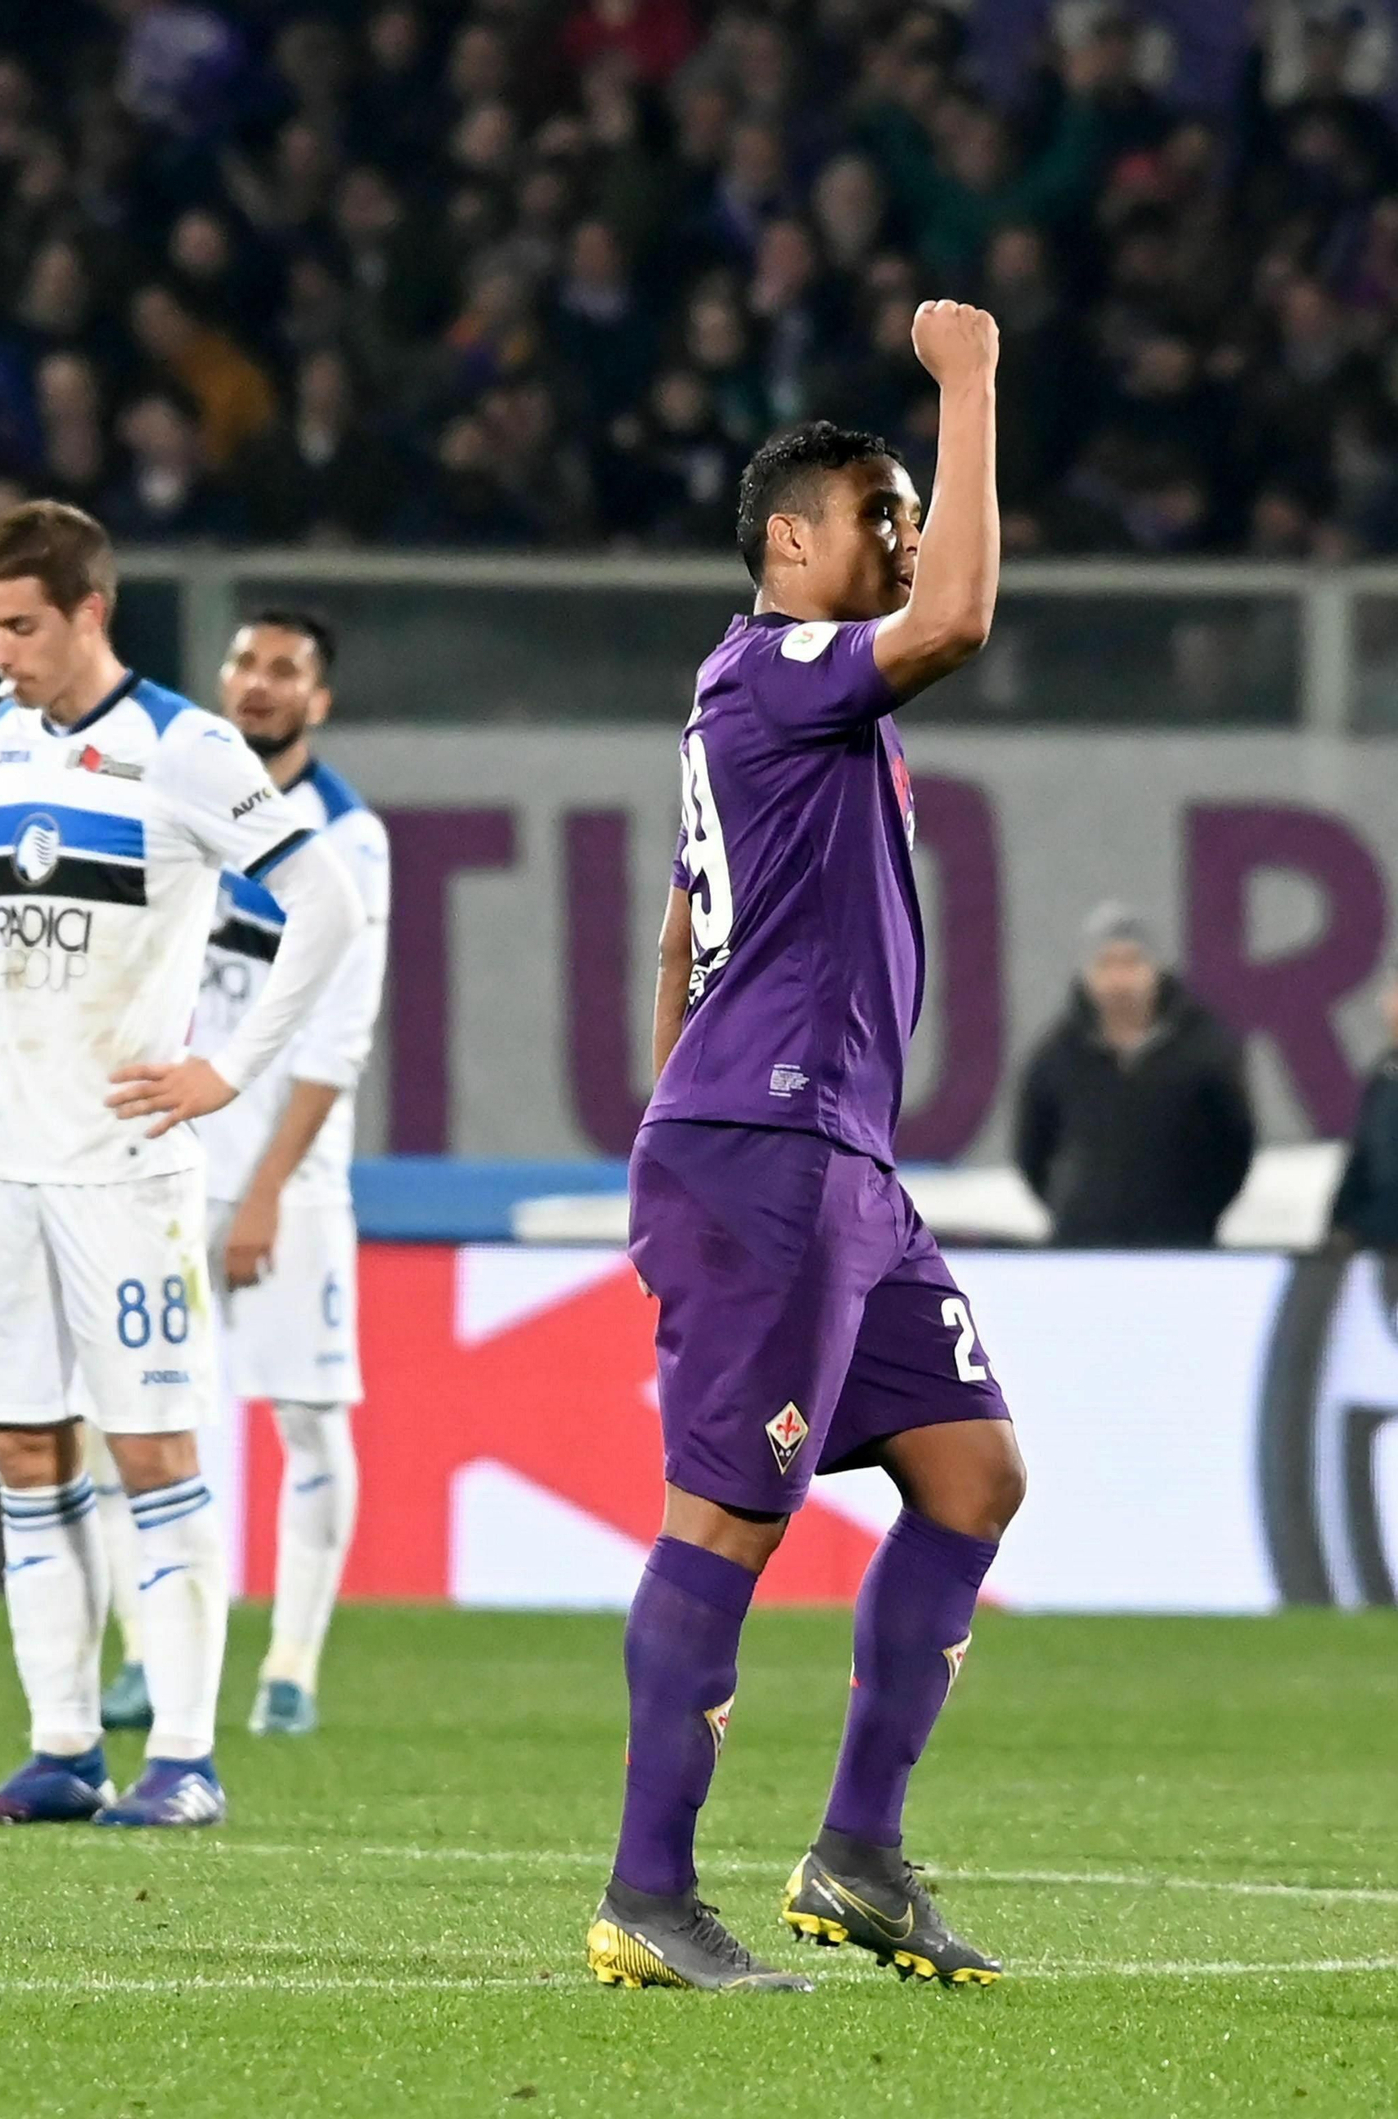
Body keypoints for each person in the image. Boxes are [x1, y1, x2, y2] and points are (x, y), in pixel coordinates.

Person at [588, 307, 1023, 1994]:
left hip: (821, 1149)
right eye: (880, 510)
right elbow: (966, 616)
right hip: (772, 1149)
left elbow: (688, 913)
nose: (908, 536)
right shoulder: (774, 665)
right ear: (790, 539)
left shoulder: (791, 714)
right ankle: (647, 1891)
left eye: (914, 508)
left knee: (975, 1472)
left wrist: (670, 1105)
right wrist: (972, 389)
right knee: (727, 1517)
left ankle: (856, 1853)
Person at [0, 501, 364, 1828]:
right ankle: (64, 1745)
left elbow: (327, 905)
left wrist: (228, 1071)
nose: (0, 653)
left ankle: (182, 1754)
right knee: (22, 1442)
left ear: (90, 611)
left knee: (153, 1444)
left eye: (22, 626)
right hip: (8, 1163)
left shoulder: (184, 749)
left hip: (128, 1170)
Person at [89, 608, 388, 1739]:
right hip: (161, 1162)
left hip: (287, 1181)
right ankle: (144, 1653)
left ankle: (290, 1670)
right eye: (244, 665)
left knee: (306, 1420)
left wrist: (266, 1187)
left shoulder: (347, 841)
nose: (257, 685)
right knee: (137, 1407)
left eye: (285, 672)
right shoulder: (178, 795)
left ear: (319, 700)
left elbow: (337, 1040)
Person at [1016, 905, 1255, 1248]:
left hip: (1181, 1245)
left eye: (1131, 963)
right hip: (1083, 1247)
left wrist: (1198, 1213)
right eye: (1106, 965)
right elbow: (1032, 1149)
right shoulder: (1057, 1056)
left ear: (1154, 970)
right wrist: (1075, 1206)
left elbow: (1235, 1145)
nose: (1119, 981)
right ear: (1087, 974)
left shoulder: (1205, 1050)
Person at [1327, 963, 1398, 1251]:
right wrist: (1341, 1225)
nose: (1387, 1003)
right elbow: (1362, 1159)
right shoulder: (1386, 1074)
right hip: (1374, 1242)